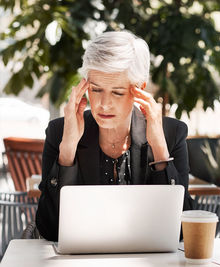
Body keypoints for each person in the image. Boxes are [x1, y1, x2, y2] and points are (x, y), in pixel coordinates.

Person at [36, 31, 194, 241]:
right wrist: (68, 150)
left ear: (139, 89)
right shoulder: (59, 133)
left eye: (117, 92)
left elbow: (183, 230)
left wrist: (159, 148)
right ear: (84, 86)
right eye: (96, 89)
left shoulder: (171, 134)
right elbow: (49, 228)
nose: (103, 104)